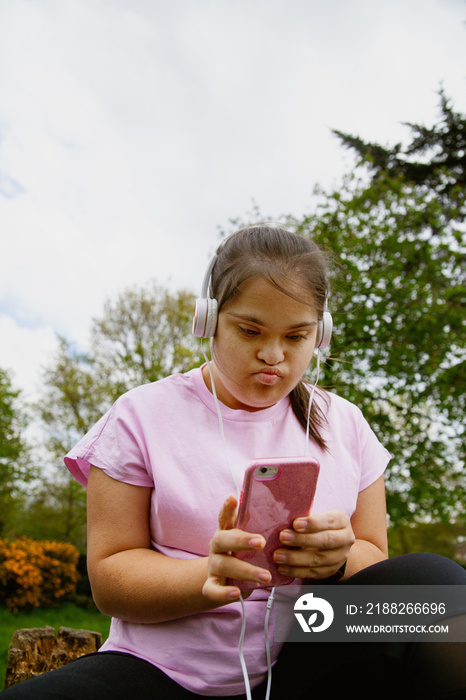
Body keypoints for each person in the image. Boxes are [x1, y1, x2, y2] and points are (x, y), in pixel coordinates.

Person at [2, 225, 465, 700]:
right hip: (159, 670)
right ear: (209, 320)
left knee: (439, 587)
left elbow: (375, 558)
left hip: (307, 655)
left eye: (296, 336)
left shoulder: (346, 424)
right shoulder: (140, 415)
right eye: (250, 330)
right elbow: (109, 577)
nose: (273, 355)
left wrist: (338, 561)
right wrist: (207, 574)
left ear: (319, 333)